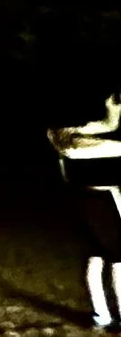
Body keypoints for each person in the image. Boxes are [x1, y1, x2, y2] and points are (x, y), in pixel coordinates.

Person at [53, 92, 121, 332]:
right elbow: (86, 144)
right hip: (100, 200)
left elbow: (107, 125)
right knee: (118, 257)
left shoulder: (62, 132)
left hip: (85, 200)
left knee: (96, 257)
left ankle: (101, 317)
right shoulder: (67, 139)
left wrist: (112, 112)